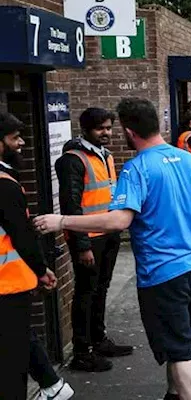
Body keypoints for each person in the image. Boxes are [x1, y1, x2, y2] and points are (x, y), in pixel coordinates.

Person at [35, 98, 191, 400]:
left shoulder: (136, 169)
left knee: (180, 349)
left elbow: (120, 220)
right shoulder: (188, 159)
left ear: (129, 131)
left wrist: (62, 221)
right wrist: (182, 223)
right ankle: (174, 394)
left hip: (164, 271)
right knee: (181, 341)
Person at [55, 107, 133, 373]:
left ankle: (98, 339)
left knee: (101, 289)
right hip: (89, 238)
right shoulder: (73, 160)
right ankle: (82, 351)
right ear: (86, 129)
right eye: (101, 128)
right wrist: (82, 245)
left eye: (109, 128)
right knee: (86, 293)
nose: (107, 133)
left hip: (108, 234)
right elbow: (71, 206)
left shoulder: (105, 156)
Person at [0, 113, 59, 399]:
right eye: (14, 138)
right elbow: (21, 236)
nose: (21, 143)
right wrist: (42, 269)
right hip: (8, 285)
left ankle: (52, 384)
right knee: (12, 360)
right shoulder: (5, 184)